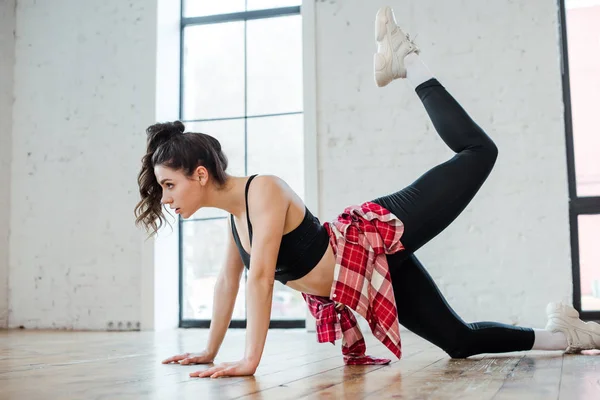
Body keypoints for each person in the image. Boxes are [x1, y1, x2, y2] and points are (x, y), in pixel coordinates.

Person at [135, 6, 600, 379]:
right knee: (458, 342)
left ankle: (407, 59)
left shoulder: (264, 191)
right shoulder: (236, 222)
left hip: (372, 237)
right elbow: (226, 284)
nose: (168, 199)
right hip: (368, 276)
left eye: (169, 185)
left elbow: (259, 282)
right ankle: (566, 336)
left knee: (479, 153)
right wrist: (208, 350)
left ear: (199, 174)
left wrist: (249, 361)